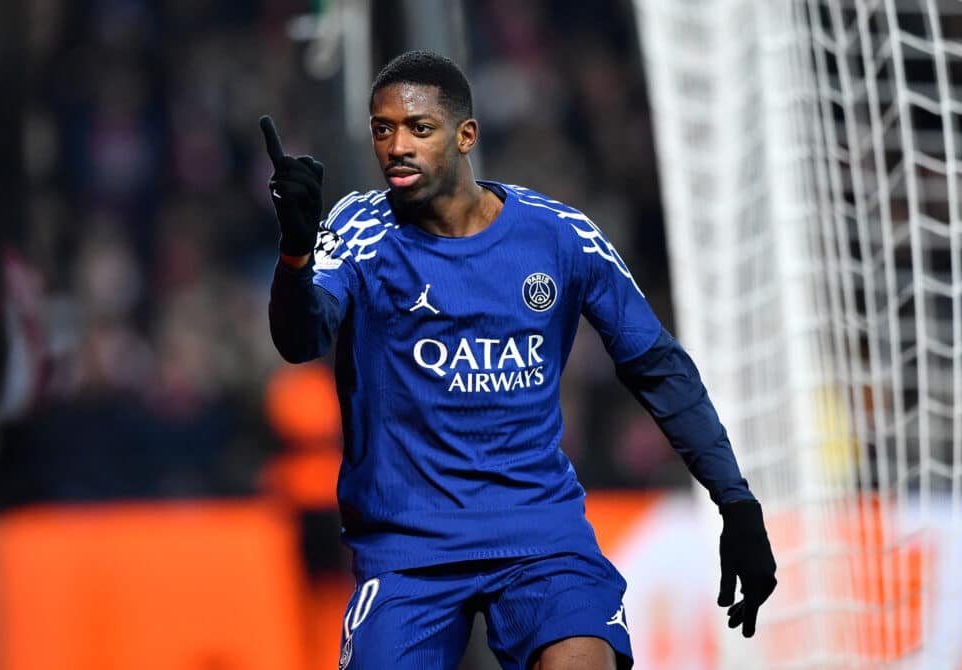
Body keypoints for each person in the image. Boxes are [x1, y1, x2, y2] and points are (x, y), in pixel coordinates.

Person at [262, 50, 776, 670]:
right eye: (383, 129)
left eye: (419, 128)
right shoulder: (359, 228)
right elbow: (301, 338)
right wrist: (295, 254)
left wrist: (736, 501)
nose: (397, 145)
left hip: (539, 535)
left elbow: (657, 365)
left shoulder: (560, 235)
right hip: (409, 543)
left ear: (466, 135)